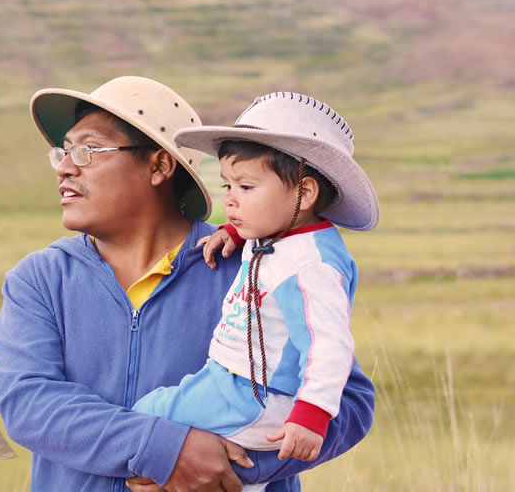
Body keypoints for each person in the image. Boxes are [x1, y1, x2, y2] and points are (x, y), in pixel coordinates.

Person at [0, 76, 375, 492]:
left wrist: (233, 470)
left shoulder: (251, 267)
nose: (66, 166)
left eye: (88, 150)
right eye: (63, 152)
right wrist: (165, 452)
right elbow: (29, 404)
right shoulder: (41, 279)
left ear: (159, 165)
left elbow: (348, 402)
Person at [131, 92, 379, 491]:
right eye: (228, 184)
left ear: (306, 193)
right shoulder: (279, 235)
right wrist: (233, 231)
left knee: (147, 414)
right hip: (236, 384)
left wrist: (311, 415)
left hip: (256, 394)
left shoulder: (311, 265)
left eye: (246, 187)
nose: (230, 198)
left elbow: (329, 344)